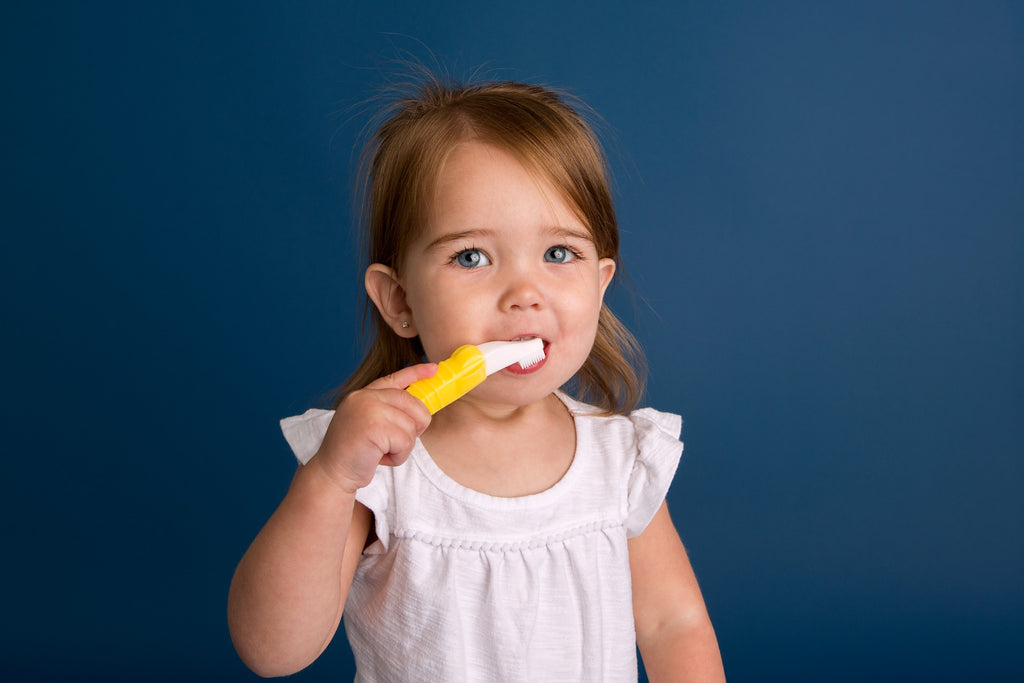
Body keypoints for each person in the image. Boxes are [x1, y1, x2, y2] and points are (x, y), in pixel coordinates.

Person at [228, 76, 725, 682]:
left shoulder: (620, 459)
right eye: (471, 257)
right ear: (399, 300)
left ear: (600, 284)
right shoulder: (372, 467)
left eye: (559, 253)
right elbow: (273, 651)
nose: (524, 293)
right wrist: (330, 479)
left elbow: (675, 624)